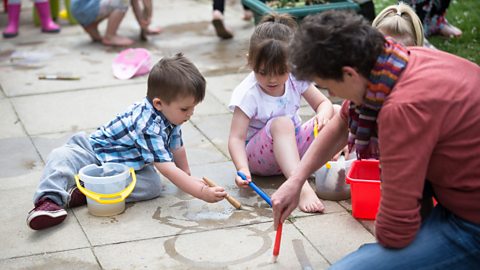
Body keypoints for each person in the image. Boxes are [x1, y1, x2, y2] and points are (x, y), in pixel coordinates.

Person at [271, 10, 480, 269]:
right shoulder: (399, 62)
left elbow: (396, 230)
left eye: (329, 87)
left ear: (349, 73)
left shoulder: (401, 109)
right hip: (458, 201)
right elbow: (342, 122)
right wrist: (297, 180)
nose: (333, 94)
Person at [27, 53, 228, 230]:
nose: (190, 114)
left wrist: (186, 176)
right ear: (159, 103)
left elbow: (177, 146)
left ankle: (81, 193)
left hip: (125, 166)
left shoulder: (172, 115)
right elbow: (166, 168)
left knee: (152, 186)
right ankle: (48, 202)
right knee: (61, 157)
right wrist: (201, 192)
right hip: (93, 153)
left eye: (193, 108)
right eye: (185, 109)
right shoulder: (147, 123)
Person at [228, 13, 335, 213]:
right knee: (282, 123)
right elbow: (236, 137)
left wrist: (323, 114)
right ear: (250, 62)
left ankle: (341, 167)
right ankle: (301, 188)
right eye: (263, 72)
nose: (272, 79)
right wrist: (242, 168)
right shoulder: (247, 93)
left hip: (292, 149)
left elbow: (323, 103)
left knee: (338, 112)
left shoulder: (296, 78)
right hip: (260, 159)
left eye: (280, 72)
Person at [71, 0, 160, 46]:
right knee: (123, 1)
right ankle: (110, 36)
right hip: (86, 8)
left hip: (79, 7)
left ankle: (91, 26)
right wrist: (148, 15)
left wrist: (143, 24)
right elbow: (146, 3)